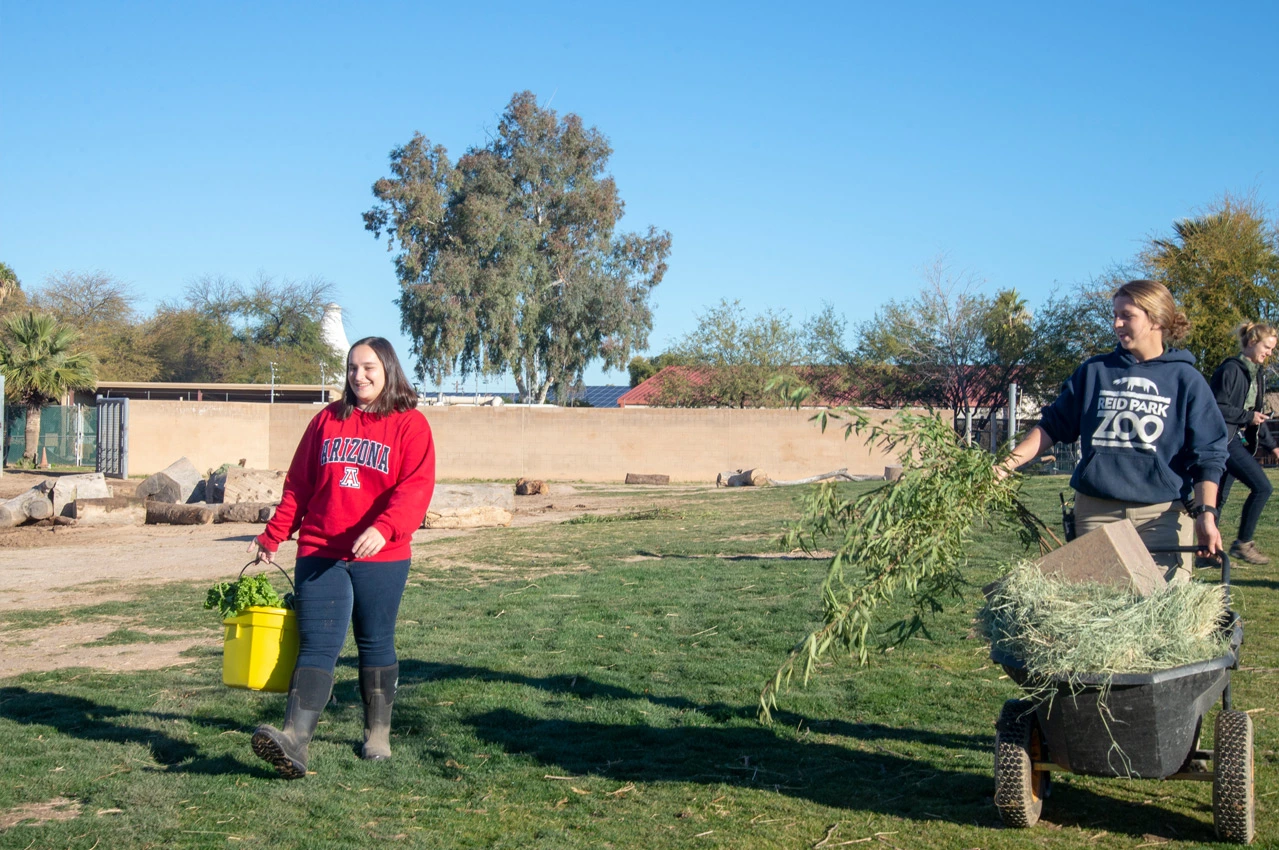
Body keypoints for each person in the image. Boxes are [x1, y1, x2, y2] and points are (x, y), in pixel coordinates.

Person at [247, 337, 435, 779]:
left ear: (387, 368)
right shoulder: (326, 421)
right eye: (352, 368)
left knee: (375, 641)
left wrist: (384, 527)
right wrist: (274, 535)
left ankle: (377, 733)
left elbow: (415, 488)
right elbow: (299, 485)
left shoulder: (410, 425)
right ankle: (294, 740)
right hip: (320, 550)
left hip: (382, 555)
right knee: (317, 644)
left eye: (368, 367)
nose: (359, 376)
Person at [1001, 280, 1228, 581]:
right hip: (1097, 512)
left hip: (1162, 514)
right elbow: (1052, 427)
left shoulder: (1186, 378)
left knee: (1158, 612)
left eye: (1127, 315)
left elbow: (1209, 455)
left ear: (1156, 319)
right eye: (1115, 315)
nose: (1116, 323)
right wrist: (1005, 465)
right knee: (1097, 610)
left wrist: (1206, 514)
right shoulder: (1095, 371)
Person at [1210, 322, 1279, 564]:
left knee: (1216, 499)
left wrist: (1273, 446)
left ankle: (1207, 552)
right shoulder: (1230, 370)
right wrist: (1248, 417)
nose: (1270, 353)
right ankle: (1243, 544)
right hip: (1223, 441)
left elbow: (1258, 415)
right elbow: (1216, 408)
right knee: (1263, 487)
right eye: (1268, 347)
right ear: (1252, 342)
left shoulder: (1257, 373)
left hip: (1235, 440)